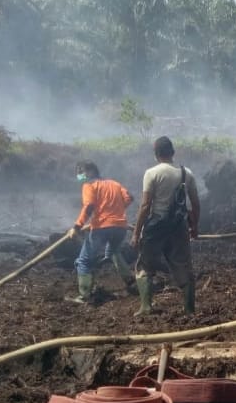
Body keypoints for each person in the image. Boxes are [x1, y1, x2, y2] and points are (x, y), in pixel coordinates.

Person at [130, 136, 200, 317]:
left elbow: (145, 206)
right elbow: (195, 204)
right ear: (173, 152)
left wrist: (136, 233)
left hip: (156, 226)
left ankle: (146, 307)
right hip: (179, 227)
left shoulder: (151, 174)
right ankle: (189, 309)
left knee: (144, 265)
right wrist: (194, 227)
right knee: (183, 266)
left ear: (156, 154)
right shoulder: (187, 173)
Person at [65, 161, 136, 304]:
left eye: (81, 171)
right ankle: (130, 281)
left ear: (91, 171)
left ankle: (84, 296)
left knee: (84, 261)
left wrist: (76, 227)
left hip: (101, 228)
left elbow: (89, 206)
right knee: (114, 251)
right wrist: (116, 211)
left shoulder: (89, 185)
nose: (79, 175)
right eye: (78, 172)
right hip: (120, 227)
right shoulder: (114, 183)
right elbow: (129, 198)